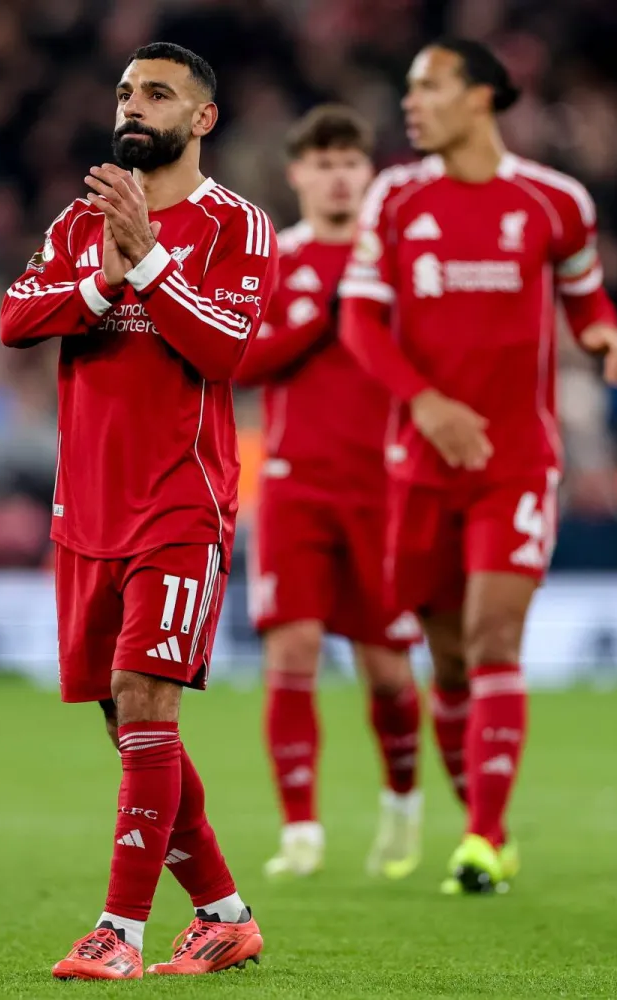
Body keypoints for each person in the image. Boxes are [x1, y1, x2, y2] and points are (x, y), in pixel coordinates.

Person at [0, 42, 277, 980]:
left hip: (180, 504)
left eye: (157, 93)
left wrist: (151, 261)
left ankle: (118, 933)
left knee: (148, 706)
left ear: (202, 119)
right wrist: (107, 276)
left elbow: (225, 351)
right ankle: (225, 914)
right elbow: (16, 319)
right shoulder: (84, 220)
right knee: (130, 723)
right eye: (125, 91)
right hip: (86, 508)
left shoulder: (237, 224)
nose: (134, 105)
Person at [339, 38, 617, 895]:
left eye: (428, 86)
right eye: (408, 88)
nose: (411, 102)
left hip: (516, 463)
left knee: (494, 637)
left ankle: (483, 836)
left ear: (481, 98)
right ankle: (484, 820)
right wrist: (425, 403)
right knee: (450, 658)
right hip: (419, 464)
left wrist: (604, 333)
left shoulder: (554, 201)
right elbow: (359, 324)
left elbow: (586, 292)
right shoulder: (394, 199)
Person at [233, 105, 431, 881]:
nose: (338, 175)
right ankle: (301, 829)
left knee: (387, 669)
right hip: (294, 488)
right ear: (297, 175)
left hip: (385, 490)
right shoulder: (276, 262)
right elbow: (238, 363)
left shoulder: (402, 266)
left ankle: (403, 806)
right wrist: (323, 323)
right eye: (322, 162)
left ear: (369, 174)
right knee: (293, 648)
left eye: (351, 160)